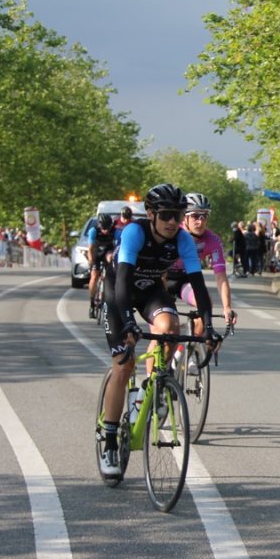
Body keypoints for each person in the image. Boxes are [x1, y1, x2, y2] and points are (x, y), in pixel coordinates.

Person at [97, 183, 220, 478]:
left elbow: (198, 286)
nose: (172, 222)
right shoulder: (134, 232)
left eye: (177, 215)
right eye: (165, 215)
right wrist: (128, 322)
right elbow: (122, 281)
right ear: (150, 214)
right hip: (118, 292)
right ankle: (109, 441)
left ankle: (146, 393)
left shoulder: (182, 239)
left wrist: (209, 327)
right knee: (124, 365)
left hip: (150, 291)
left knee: (170, 329)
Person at [165, 192, 235, 334]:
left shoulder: (212, 240)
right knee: (166, 329)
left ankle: (190, 345)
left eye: (204, 216)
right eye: (195, 216)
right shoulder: (172, 234)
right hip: (163, 279)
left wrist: (227, 307)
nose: (200, 222)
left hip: (186, 281)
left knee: (205, 304)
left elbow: (221, 276)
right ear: (184, 217)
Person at [86, 212, 118, 315]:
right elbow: (90, 249)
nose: (106, 231)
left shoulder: (115, 231)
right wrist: (90, 260)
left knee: (110, 259)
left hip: (108, 252)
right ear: (99, 225)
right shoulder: (93, 231)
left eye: (108, 228)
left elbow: (119, 245)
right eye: (104, 228)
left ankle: (107, 291)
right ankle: (92, 302)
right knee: (94, 276)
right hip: (96, 252)